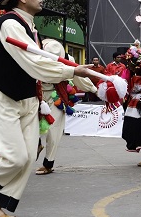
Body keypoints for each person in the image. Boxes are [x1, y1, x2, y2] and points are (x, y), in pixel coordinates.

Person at [0, 0, 93, 217]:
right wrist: (72, 71)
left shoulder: (30, 27)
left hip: (30, 99)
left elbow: (42, 62)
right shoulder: (11, 24)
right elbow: (34, 64)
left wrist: (78, 74)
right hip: (7, 99)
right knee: (16, 157)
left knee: (27, 160)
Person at [35, 39, 97, 175]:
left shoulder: (68, 60)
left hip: (57, 95)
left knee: (54, 130)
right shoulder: (35, 56)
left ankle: (48, 163)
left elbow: (79, 78)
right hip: (36, 96)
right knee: (30, 126)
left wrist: (95, 90)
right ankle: (36, 145)